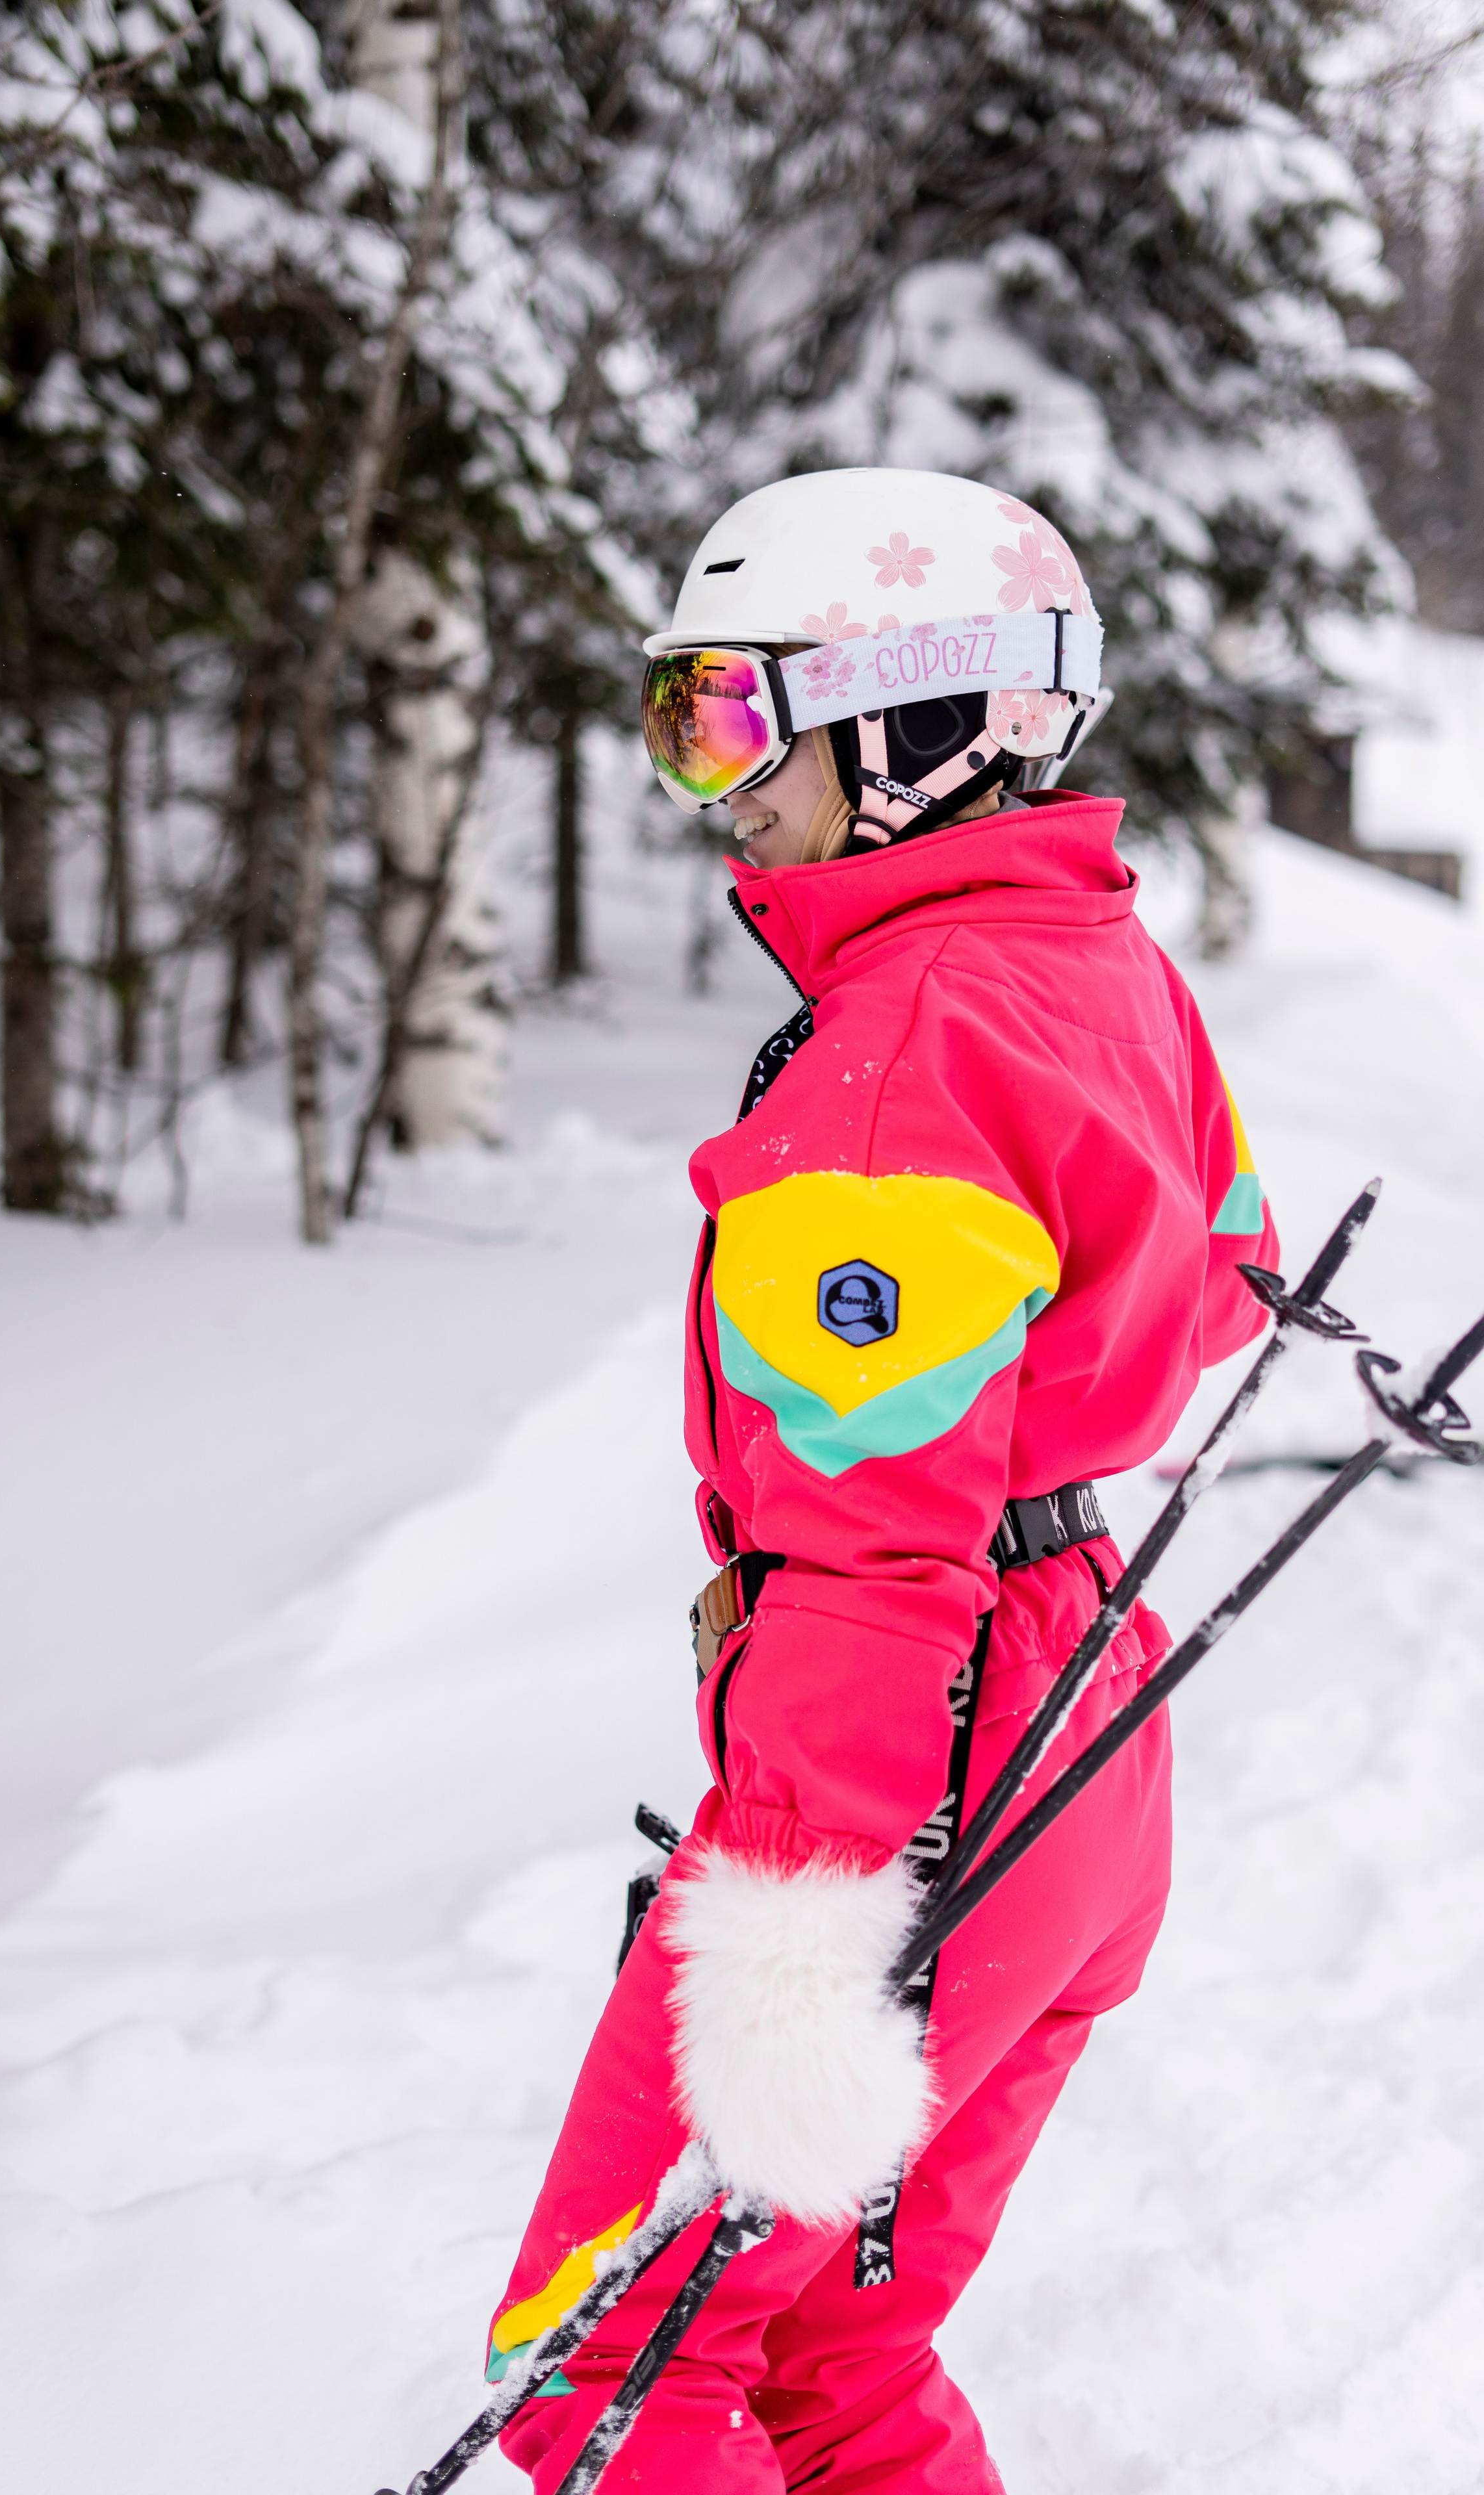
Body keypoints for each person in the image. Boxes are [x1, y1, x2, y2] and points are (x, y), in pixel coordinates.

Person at [485, 468, 1279, 2492]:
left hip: (919, 1768)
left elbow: (862, 1557)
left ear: (926, 724)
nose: (707, 786)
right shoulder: (1093, 963)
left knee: (609, 2362)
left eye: (740, 719)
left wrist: (791, 1953)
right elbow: (1223, 1284)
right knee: (834, 2355)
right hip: (1089, 1726)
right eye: (679, 721)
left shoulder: (896, 1054)